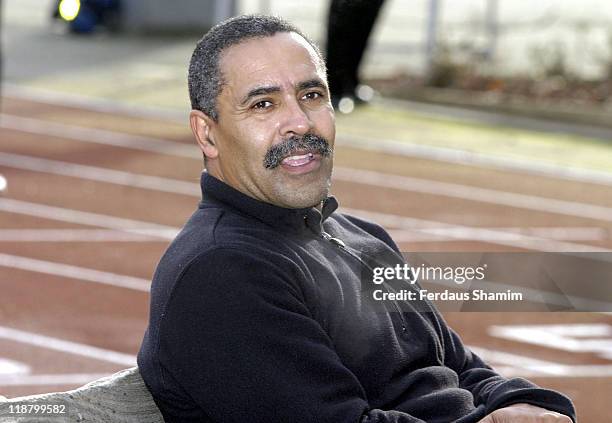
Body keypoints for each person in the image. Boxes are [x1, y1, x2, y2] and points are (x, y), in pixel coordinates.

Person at [137, 15, 575, 423]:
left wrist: (526, 405)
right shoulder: (223, 274)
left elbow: (459, 367)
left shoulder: (360, 238)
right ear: (206, 133)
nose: (299, 122)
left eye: (311, 96)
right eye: (263, 104)